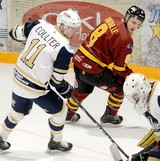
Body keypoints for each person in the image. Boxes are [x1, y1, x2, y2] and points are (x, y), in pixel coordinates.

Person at [0, 9, 82, 151]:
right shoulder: (65, 48)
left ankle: (1, 137)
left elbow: (13, 33)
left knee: (17, 112)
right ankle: (56, 141)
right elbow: (57, 82)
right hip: (34, 87)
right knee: (61, 111)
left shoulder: (39, 24)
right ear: (63, 26)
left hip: (18, 77)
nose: (75, 33)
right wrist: (67, 90)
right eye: (72, 29)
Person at [65, 5, 145, 125]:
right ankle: (110, 116)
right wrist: (134, 77)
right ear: (127, 17)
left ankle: (68, 114)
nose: (135, 27)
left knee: (81, 90)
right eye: (133, 22)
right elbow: (119, 68)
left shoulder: (112, 19)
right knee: (121, 87)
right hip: (92, 72)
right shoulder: (125, 39)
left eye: (138, 25)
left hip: (78, 62)